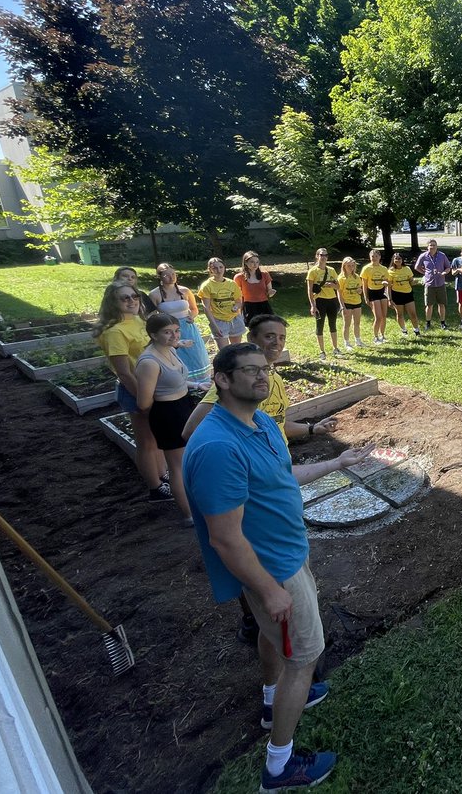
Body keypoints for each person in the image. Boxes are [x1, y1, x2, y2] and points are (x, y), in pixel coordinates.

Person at [183, 343, 374, 791]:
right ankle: (279, 766)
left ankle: (272, 702)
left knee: (276, 641)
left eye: (264, 369)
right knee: (305, 658)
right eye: (249, 370)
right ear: (221, 380)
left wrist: (337, 462)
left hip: (289, 552)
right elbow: (225, 538)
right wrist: (270, 590)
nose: (261, 376)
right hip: (271, 568)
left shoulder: (262, 422)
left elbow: (283, 478)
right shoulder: (218, 446)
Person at [183, 314, 338, 444]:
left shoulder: (275, 378)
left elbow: (278, 424)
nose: (277, 342)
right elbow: (191, 431)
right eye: (269, 336)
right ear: (251, 338)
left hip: (279, 462)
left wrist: (312, 428)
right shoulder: (236, 384)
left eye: (282, 337)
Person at [94, 282, 168, 501]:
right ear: (112, 302)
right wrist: (144, 399)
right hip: (136, 390)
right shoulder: (115, 332)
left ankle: (163, 474)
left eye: (134, 296)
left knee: (157, 438)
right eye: (124, 298)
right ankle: (155, 488)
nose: (132, 301)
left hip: (153, 387)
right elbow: (124, 373)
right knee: (146, 442)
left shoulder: (138, 320)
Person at [134, 313, 195, 522]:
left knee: (189, 460)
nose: (174, 336)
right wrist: (165, 414)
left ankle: (197, 502)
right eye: (167, 332)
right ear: (153, 335)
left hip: (184, 406)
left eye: (176, 330)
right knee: (178, 466)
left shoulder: (170, 350)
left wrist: (196, 385)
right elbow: (143, 403)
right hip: (168, 414)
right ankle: (189, 514)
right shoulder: (149, 362)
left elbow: (175, 380)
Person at [149, 263, 211, 388]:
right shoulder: (155, 294)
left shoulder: (184, 290)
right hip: (169, 329)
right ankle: (183, 383)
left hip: (187, 327)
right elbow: (151, 316)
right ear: (160, 277)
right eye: (167, 275)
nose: (171, 277)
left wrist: (192, 316)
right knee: (177, 356)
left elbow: (194, 309)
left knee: (195, 355)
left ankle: (202, 383)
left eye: (173, 274)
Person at [199, 258, 245, 349]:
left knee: (237, 349)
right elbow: (206, 308)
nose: (219, 270)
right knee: (224, 351)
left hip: (235, 319)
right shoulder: (206, 286)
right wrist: (214, 325)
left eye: (221, 267)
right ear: (210, 270)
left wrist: (236, 307)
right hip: (218, 321)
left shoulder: (232, 283)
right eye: (215, 268)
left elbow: (239, 301)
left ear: (224, 268)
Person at [306, 248, 341, 359]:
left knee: (333, 324)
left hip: (332, 300)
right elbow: (309, 290)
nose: (323, 257)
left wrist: (333, 285)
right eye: (321, 255)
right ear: (317, 256)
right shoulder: (313, 271)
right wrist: (313, 305)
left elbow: (338, 286)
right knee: (319, 325)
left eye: (325, 255)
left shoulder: (331, 270)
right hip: (320, 301)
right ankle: (322, 351)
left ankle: (335, 348)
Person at [413, 239, 452, 330]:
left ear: (437, 246)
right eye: (430, 245)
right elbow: (416, 267)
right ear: (427, 247)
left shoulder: (442, 255)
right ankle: (428, 323)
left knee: (441, 304)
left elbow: (448, 267)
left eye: (434, 245)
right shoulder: (423, 256)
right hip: (429, 284)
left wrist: (444, 272)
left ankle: (443, 323)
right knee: (429, 305)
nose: (432, 247)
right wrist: (425, 273)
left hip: (440, 284)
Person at [360, 249, 391, 344]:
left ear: (380, 257)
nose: (374, 258)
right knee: (378, 317)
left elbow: (388, 283)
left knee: (384, 316)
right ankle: (376, 337)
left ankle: (382, 335)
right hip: (372, 292)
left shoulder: (384, 269)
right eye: (372, 256)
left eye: (376, 256)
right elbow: (364, 285)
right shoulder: (366, 268)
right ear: (370, 257)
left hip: (382, 293)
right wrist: (366, 297)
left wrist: (386, 283)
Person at [234, 251, 275, 321]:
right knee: (252, 326)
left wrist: (271, 292)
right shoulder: (239, 277)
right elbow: (237, 296)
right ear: (246, 262)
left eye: (257, 262)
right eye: (252, 262)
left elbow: (270, 293)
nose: (255, 264)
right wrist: (238, 310)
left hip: (264, 305)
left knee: (268, 325)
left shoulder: (265, 274)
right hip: (248, 306)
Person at [387, 252, 420, 337]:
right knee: (400, 314)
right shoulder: (390, 271)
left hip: (408, 294)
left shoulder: (407, 269)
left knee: (413, 314)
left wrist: (415, 282)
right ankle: (404, 330)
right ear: (393, 260)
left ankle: (416, 330)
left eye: (399, 258)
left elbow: (411, 282)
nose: (398, 260)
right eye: (396, 259)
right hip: (396, 294)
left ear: (402, 260)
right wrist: (389, 299)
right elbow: (389, 287)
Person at [336, 256, 364, 349]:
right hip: (346, 303)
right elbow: (339, 293)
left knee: (357, 323)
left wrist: (360, 291)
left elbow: (360, 289)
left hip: (357, 302)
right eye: (348, 266)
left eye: (352, 265)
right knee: (347, 324)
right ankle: (347, 343)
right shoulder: (341, 278)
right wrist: (342, 306)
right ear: (344, 266)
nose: (351, 268)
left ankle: (358, 340)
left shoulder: (356, 277)